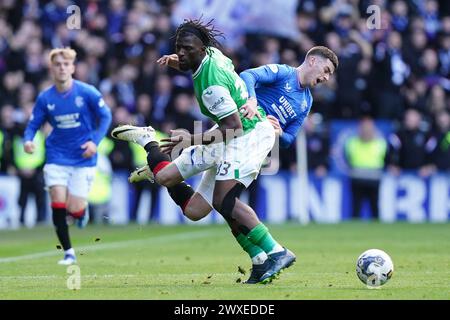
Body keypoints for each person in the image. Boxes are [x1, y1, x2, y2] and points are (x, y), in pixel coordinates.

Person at [113, 19, 337, 284]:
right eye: (325, 70)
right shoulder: (283, 73)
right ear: (311, 60)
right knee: (191, 201)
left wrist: (278, 132)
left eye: (329, 75)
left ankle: (271, 254)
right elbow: (249, 76)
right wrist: (252, 101)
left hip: (249, 137)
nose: (325, 78)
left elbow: (288, 138)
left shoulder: (305, 102)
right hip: (234, 132)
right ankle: (149, 141)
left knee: (224, 201)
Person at [23, 48, 112, 265]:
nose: (62, 68)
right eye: (57, 64)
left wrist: (95, 142)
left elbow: (106, 115)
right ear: (52, 69)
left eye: (66, 64)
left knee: (74, 208)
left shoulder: (87, 92)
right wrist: (28, 140)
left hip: (83, 157)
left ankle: (81, 213)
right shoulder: (46, 98)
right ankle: (68, 252)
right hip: (56, 156)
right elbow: (33, 123)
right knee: (57, 200)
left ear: (72, 68)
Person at [344, 117, 387, 220]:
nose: (366, 130)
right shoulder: (352, 142)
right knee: (356, 208)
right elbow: (347, 158)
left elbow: (386, 159)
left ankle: (377, 231)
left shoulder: (381, 143)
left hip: (374, 180)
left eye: (369, 128)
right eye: (364, 127)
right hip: (357, 179)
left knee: (374, 207)